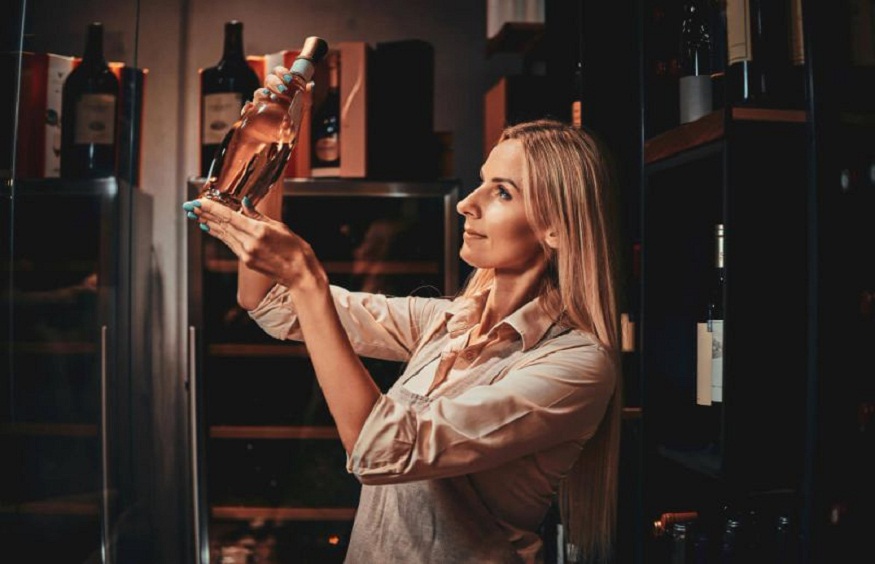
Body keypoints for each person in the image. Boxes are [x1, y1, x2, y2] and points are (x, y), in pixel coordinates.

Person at [184, 73, 623, 563]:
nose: (466, 204)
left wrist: (308, 277)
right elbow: (269, 303)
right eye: (481, 183)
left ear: (558, 228)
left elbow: (384, 452)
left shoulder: (576, 366)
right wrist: (276, 148)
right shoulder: (447, 323)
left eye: (502, 193)